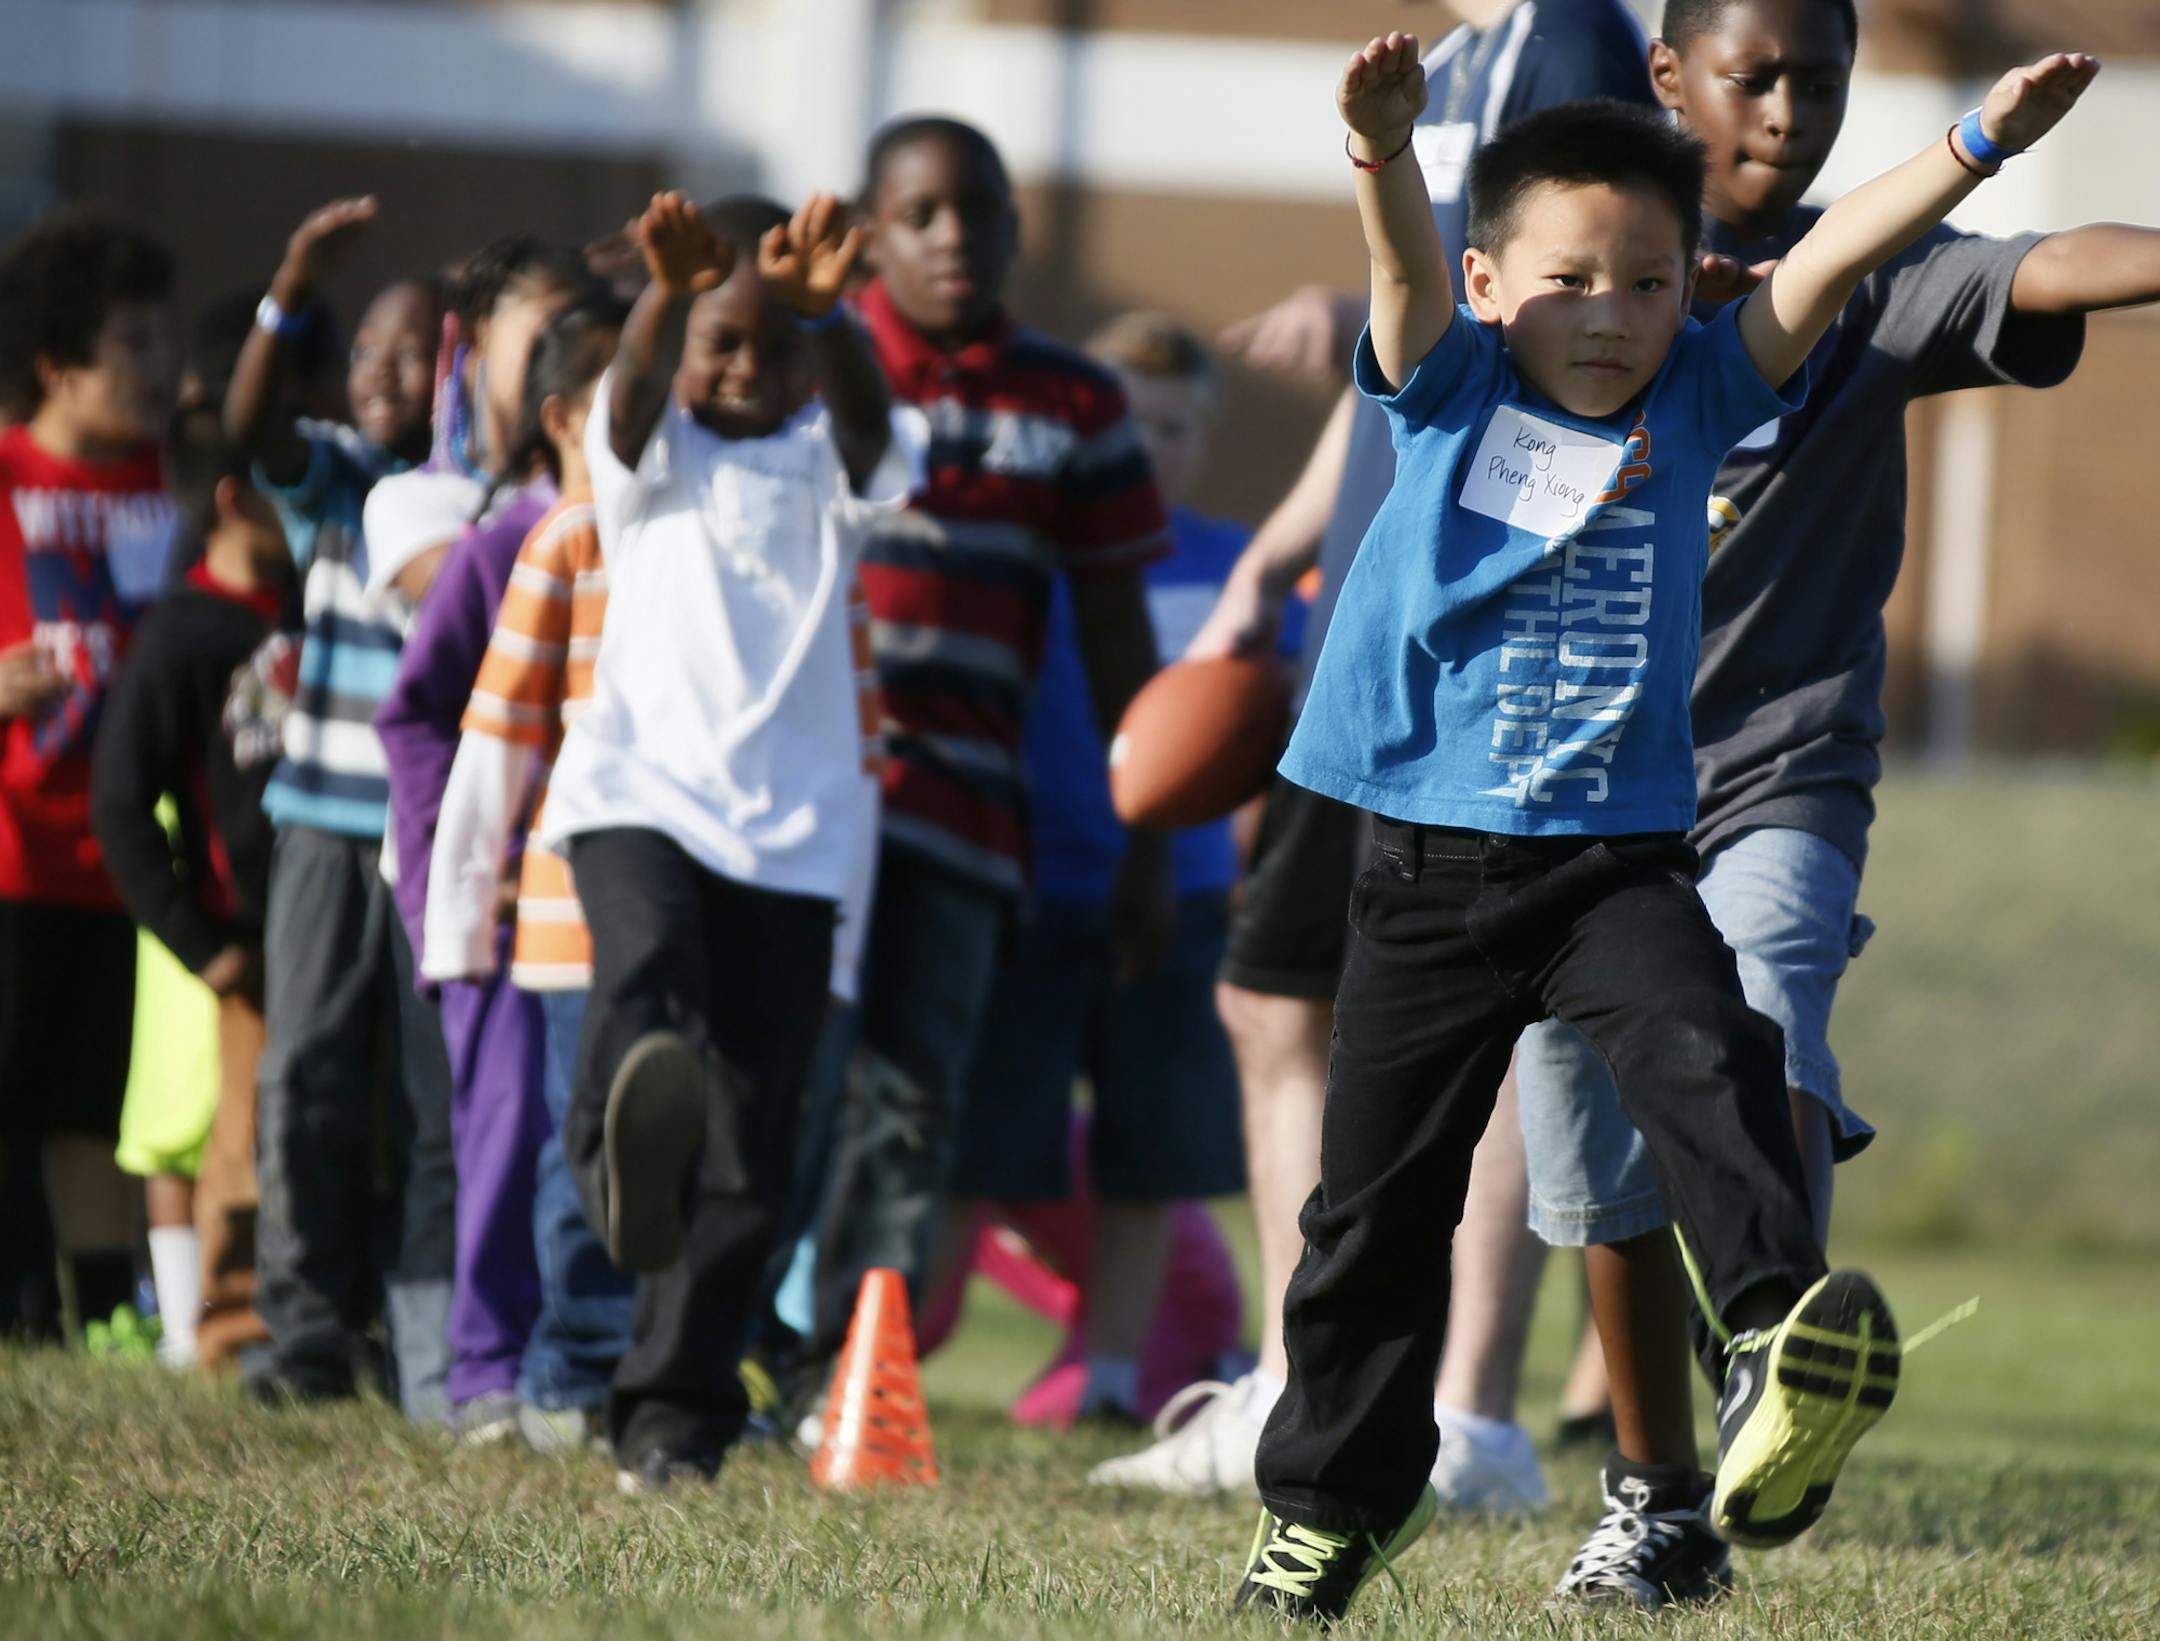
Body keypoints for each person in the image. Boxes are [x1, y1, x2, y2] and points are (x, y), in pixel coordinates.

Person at [1230, 34, 2098, 1622]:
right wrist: (1378, 147)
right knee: (1370, 1222)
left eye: (1646, 282)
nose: (1613, 314)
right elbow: (1407, 267)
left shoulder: (1702, 389)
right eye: (1573, 280)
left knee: (1713, 1063)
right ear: (1496, 284)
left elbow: (1836, 250)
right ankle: (1328, 1512)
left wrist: (1980, 138)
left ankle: (1775, 1333)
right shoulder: (1445, 382)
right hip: (1424, 874)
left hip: (1608, 869)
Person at [1523, 0, 2160, 1607]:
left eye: (1823, 82)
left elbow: (2050, 260)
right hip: (1573, 792)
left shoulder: (1871, 275)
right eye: (1757, 76)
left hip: (1777, 773)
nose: (1793, 111)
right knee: (1596, 1145)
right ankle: (1658, 1498)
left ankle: (1776, 1358)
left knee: (1764, 1003)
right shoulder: (1573, 280)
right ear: (1668, 80)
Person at [1101, 0, 1656, 1508]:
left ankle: (1464, 1415)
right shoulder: (1452, 60)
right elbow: (1406, 355)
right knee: (1275, 999)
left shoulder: (1570, 44)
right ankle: (1308, 1380)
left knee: (1479, 1023)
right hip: (1355, 620)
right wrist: (1267, 558)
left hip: (1460, 640)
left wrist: (1509, 592)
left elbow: (1581, 350)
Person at [784, 116, 1173, 1398]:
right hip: (791, 807)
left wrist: (1148, 840)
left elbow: (1120, 645)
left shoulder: (1075, 403)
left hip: (962, 815)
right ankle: (723, 1350)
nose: (956, 237)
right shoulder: (798, 361)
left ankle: (849, 1379)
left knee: (909, 1106)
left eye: (982, 210)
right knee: (783, 1082)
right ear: (869, 231)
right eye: (922, 213)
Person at [537, 190, 916, 1492]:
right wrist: (660, 300)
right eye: (724, 342)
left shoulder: (833, 463)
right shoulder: (654, 459)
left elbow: (873, 430)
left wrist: (838, 319)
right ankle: (618, 1164)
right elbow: (632, 392)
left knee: (758, 1140)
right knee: (643, 980)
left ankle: (671, 1415)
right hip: (643, 794)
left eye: (777, 345)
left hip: (798, 840)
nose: (749, 367)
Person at [940, 310, 1247, 1427]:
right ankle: (894, 1363)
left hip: (1187, 899)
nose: (1150, 447)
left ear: (1201, 439)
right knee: (979, 1146)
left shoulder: (1233, 564)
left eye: (1173, 427)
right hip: (1032, 886)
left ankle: (1118, 1382)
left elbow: (1268, 727)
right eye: (1127, 423)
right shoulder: (1036, 556)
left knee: (1148, 1157)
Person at [222, 198, 459, 1415]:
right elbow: (245, 424)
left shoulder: (471, 498)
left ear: (459, 367)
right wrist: (290, 288)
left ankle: (425, 1349)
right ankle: (302, 1330)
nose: (383, 373)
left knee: (433, 1099)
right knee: (304, 1073)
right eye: (366, 350)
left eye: (413, 352)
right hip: (321, 822)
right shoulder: (340, 480)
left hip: (432, 839)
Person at [375, 250, 590, 1445]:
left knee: (589, 1141)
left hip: (605, 906)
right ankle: (481, 1373)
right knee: (501, 1136)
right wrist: (450, 872)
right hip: (502, 918)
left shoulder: (658, 548)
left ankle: (573, 1367)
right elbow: (416, 714)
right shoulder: (503, 540)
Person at [421, 298, 635, 1455]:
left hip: (697, 912)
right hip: (561, 918)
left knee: (678, 1155)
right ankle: (566, 1373)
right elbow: (486, 741)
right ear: (563, 418)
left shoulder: (716, 541)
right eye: (629, 391)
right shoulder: (558, 542)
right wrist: (457, 916)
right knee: (573, 1149)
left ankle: (662, 1374)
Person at [0, 209, 182, 1344]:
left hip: (119, 862)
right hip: (10, 849)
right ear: (57, 364)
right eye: (133, 344)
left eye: (163, 339)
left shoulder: (175, 482)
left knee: (92, 1107)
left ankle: (106, 1318)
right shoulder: (5, 472)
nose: (160, 369)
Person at [91, 402, 294, 1372]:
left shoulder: (313, 606)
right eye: (282, 474)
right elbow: (122, 803)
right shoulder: (179, 635)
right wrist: (200, 939)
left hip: (328, 924)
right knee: (219, 1141)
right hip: (236, 939)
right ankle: (212, 1331)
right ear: (233, 497)